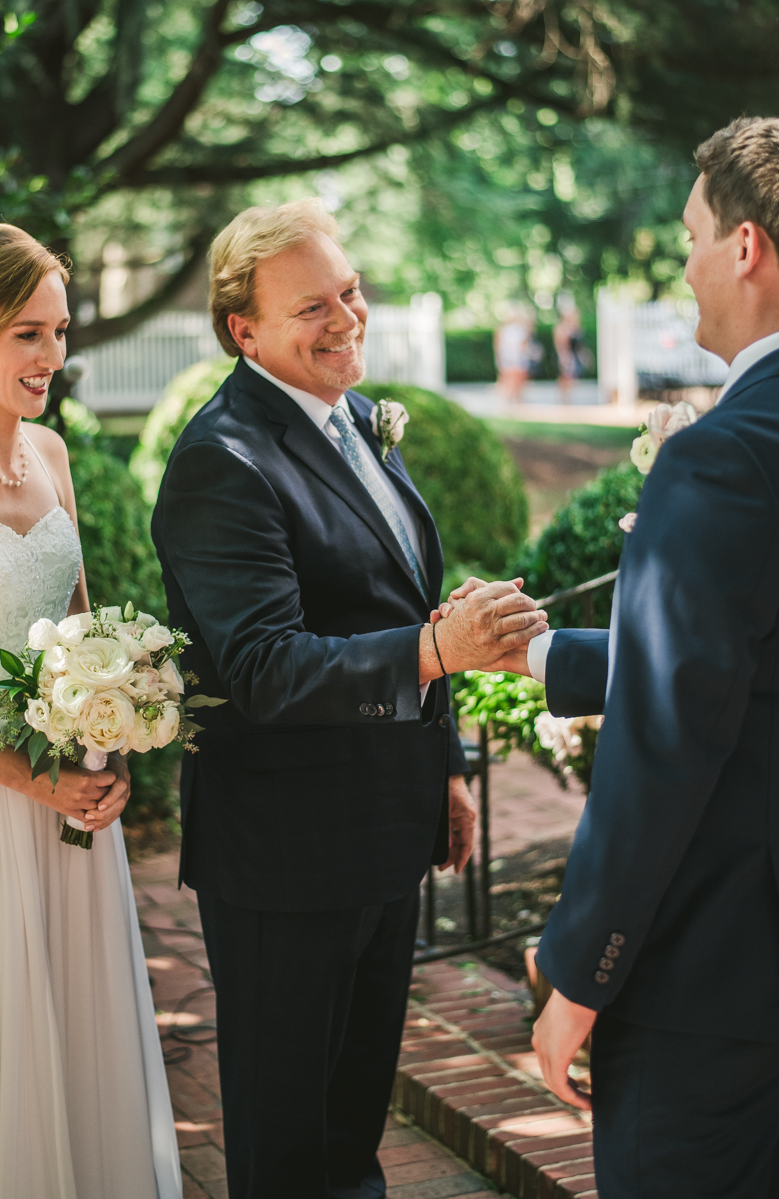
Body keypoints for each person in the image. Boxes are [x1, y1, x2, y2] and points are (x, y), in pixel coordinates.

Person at [151, 198, 547, 1199]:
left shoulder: (361, 422)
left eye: (350, 291)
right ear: (242, 330)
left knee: (352, 1126)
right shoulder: (220, 461)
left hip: (384, 824)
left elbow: (396, 602)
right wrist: (431, 647)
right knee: (289, 1143)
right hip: (284, 853)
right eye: (311, 308)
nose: (345, 319)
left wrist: (444, 768)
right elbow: (265, 667)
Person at [442, 115, 779, 1197]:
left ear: (745, 249)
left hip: (722, 975)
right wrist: (544, 656)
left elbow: (672, 736)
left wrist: (580, 963)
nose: (681, 266)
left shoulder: (720, 457)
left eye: (689, 237)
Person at [0, 224, 182, 1199]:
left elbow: (83, 625)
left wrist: (121, 724)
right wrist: (36, 779)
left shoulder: (54, 451)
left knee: (81, 1030)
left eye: (58, 332)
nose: (53, 357)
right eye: (28, 333)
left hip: (76, 804)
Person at [495, 302, 535, 402]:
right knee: (508, 378)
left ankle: (518, 400)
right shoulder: (502, 329)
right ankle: (506, 399)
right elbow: (498, 345)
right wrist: (499, 358)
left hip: (519, 357)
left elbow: (525, 343)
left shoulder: (521, 329)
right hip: (508, 358)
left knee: (520, 379)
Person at [553, 294, 588, 401]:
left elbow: (579, 344)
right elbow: (560, 343)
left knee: (572, 378)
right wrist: (564, 357)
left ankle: (567, 398)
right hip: (566, 355)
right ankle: (564, 399)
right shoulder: (561, 328)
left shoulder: (575, 327)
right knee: (566, 378)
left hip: (574, 355)